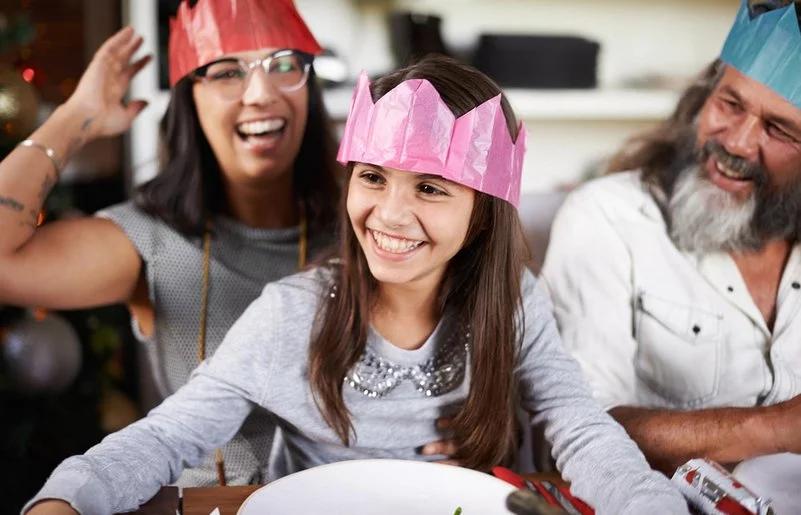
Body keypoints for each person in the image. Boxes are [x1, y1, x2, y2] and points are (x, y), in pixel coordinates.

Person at [23, 55, 690, 515]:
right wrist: (68, 496)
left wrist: (650, 505)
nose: (389, 215)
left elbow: (582, 431)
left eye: (430, 188)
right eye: (372, 178)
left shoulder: (515, 300)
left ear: (482, 213)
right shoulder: (290, 315)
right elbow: (167, 437)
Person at [0, 0, 343, 486]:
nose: (261, 94)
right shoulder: (152, 240)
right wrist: (76, 116)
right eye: (228, 72)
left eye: (284, 65)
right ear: (190, 100)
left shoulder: (369, 225)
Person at [541, 0, 801, 474]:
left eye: (779, 130)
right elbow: (575, 430)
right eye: (730, 104)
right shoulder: (607, 217)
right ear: (703, 97)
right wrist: (775, 428)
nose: (737, 142)